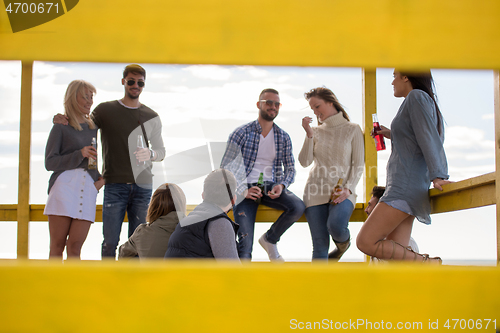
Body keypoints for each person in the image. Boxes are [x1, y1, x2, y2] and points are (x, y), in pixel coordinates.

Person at [54, 64, 166, 258]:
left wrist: (151, 154)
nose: (135, 85)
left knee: (138, 244)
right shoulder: (104, 110)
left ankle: (131, 285)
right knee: (110, 242)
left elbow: (161, 151)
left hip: (143, 186)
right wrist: (61, 117)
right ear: (123, 82)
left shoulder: (152, 116)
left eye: (140, 82)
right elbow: (82, 125)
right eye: (131, 81)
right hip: (115, 185)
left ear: (144, 85)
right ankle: (108, 284)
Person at [356, 70, 451, 263]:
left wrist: (438, 175)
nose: (392, 82)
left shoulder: (416, 97)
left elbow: (428, 138)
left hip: (404, 187)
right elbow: (416, 137)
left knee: (365, 242)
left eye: (395, 75)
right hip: (406, 186)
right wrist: (391, 133)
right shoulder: (417, 100)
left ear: (406, 76)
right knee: (398, 260)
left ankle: (429, 264)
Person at [220, 88, 305, 262]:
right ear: (259, 104)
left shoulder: (283, 137)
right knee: (245, 245)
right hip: (243, 190)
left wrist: (281, 185)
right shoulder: (241, 133)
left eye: (276, 103)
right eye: (268, 103)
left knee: (298, 207)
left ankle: (270, 239)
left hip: (269, 186)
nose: (273, 107)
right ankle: (242, 285)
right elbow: (225, 167)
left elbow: (290, 169)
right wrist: (243, 190)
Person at [299, 87, 364, 261]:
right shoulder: (316, 131)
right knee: (319, 246)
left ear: (331, 102)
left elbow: (358, 164)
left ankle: (343, 244)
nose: (315, 112)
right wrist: (309, 134)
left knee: (336, 225)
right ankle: (318, 287)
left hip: (343, 191)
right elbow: (304, 162)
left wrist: (348, 189)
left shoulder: (353, 129)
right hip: (314, 192)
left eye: (317, 106)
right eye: (312, 109)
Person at [44, 80, 105, 260]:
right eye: (85, 97)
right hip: (63, 189)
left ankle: (72, 288)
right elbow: (50, 163)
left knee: (76, 247)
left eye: (91, 97)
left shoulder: (93, 127)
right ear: (73, 98)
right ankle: (54, 287)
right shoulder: (60, 127)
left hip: (87, 189)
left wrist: (99, 182)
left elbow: (93, 161)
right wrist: (79, 154)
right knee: (57, 246)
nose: (89, 102)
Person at [165, 169, 239, 260]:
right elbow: (232, 271)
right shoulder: (220, 223)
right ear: (233, 200)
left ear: (203, 195)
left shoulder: (188, 220)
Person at [118, 183, 186, 259]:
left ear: (153, 206)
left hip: (150, 270)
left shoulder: (142, 232)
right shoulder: (195, 232)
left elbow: (123, 255)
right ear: (181, 204)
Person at [365, 186, 419, 253]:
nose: (365, 210)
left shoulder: (408, 244)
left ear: (379, 208)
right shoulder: (377, 241)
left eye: (369, 205)